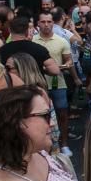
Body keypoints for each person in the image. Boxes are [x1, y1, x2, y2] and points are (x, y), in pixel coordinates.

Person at [34, 12, 74, 156]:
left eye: (49, 22)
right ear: (38, 23)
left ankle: (64, 144)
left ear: (53, 23)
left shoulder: (61, 41)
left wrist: (65, 65)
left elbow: (69, 60)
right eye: (43, 22)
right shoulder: (33, 41)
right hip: (39, 84)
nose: (46, 25)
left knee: (62, 112)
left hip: (59, 83)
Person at [6, 53, 61, 155]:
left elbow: (49, 123)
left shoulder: (37, 93)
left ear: (23, 69)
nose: (5, 72)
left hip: (41, 146)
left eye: (9, 68)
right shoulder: (16, 91)